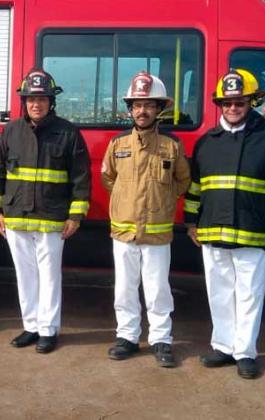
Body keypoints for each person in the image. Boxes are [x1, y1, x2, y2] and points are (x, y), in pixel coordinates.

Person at [184, 69, 265, 379]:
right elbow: (195, 188)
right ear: (219, 105)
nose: (233, 108)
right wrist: (191, 222)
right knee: (219, 293)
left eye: (239, 102)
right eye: (227, 103)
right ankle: (223, 346)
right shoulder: (206, 142)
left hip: (254, 233)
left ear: (252, 102)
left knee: (249, 295)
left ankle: (245, 352)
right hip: (212, 232)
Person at [0, 69, 90, 353]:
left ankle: (48, 329)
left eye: (42, 99)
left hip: (52, 217)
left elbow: (81, 177)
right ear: (24, 102)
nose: (37, 104)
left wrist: (75, 215)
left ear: (51, 101)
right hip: (16, 216)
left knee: (49, 276)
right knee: (25, 275)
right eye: (31, 99)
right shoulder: (11, 131)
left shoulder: (68, 133)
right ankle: (31, 326)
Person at [101, 72, 191, 367]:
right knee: (124, 289)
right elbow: (109, 179)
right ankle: (127, 336)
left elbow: (182, 182)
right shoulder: (117, 145)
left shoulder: (171, 146)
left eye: (149, 105)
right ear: (130, 109)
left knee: (157, 289)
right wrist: (127, 202)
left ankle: (161, 339)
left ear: (158, 109)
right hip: (124, 233)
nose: (142, 111)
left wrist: (160, 202)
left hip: (157, 233)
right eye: (137, 105)